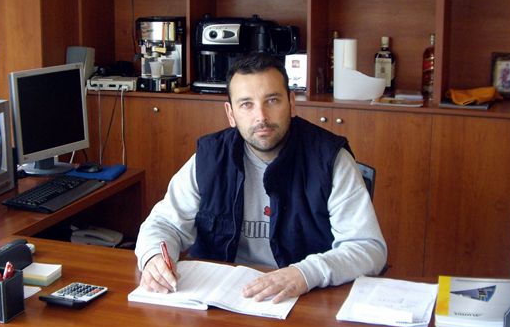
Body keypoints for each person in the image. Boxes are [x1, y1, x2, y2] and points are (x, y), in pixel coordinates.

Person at [134, 53, 387, 303]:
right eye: (246, 104)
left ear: (292, 103)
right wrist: (154, 257)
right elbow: (163, 224)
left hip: (304, 299)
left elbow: (368, 247)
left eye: (272, 100)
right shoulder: (209, 159)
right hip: (220, 300)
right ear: (230, 113)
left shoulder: (330, 159)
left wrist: (304, 273)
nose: (261, 117)